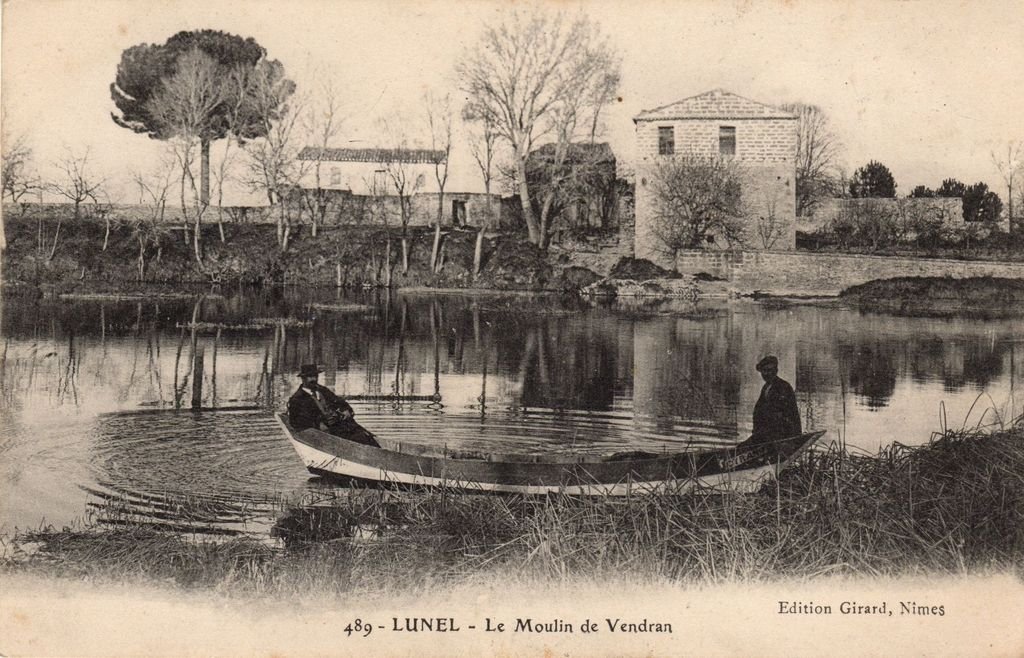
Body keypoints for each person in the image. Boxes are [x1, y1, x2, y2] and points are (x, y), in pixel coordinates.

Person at [287, 364, 380, 447]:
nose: (314, 379)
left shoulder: (322, 390)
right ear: (303, 379)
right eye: (310, 377)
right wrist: (318, 424)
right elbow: (297, 423)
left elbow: (340, 402)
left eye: (315, 376)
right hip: (321, 433)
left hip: (338, 425)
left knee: (365, 437)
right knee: (357, 440)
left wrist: (345, 410)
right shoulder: (297, 399)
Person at [751, 355, 802, 444]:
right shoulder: (766, 387)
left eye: (769, 370)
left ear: (775, 371)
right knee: (741, 447)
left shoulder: (783, 387)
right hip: (767, 433)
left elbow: (779, 414)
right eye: (764, 371)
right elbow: (759, 410)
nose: (766, 374)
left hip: (783, 436)